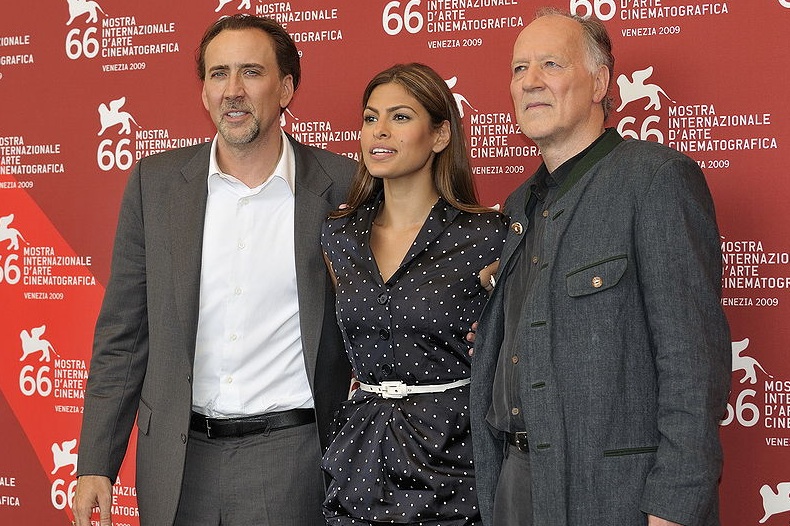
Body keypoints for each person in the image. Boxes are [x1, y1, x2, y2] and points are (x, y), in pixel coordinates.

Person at [72, 14, 356, 526]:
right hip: (179, 464)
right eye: (218, 74)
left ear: (286, 87)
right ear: (203, 92)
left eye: (251, 71)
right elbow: (123, 334)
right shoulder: (154, 185)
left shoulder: (344, 187)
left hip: (294, 461)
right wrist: (95, 462)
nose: (233, 91)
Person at [468, 8, 731, 526]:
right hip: (516, 482)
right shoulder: (520, 203)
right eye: (519, 69)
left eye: (550, 65)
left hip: (616, 497)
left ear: (601, 82)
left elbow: (693, 362)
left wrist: (675, 505)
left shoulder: (655, 181)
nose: (530, 82)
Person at [320, 63, 507, 525]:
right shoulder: (337, 235)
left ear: (440, 135)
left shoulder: (488, 235)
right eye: (370, 118)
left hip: (454, 462)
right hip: (359, 461)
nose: (379, 131)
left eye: (400, 117)